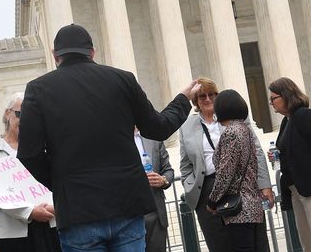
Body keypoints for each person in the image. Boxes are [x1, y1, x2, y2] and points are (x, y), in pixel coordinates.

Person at [17, 23, 200, 252]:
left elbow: (28, 154)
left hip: (78, 209)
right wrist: (182, 100)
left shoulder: (37, 89)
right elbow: (158, 128)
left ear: (55, 56)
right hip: (126, 204)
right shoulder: (123, 80)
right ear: (92, 52)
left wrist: (62, 182)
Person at [179, 78, 275, 252]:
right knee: (219, 244)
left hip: (241, 187)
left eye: (212, 95)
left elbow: (257, 152)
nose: (207, 99)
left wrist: (265, 185)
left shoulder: (234, 120)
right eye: (202, 96)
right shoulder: (187, 127)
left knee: (253, 242)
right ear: (196, 101)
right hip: (206, 189)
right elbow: (185, 165)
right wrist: (189, 185)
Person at [0, 93, 60, 252]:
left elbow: (59, 181)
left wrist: (56, 207)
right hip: (13, 233)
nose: (25, 120)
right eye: (20, 114)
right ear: (7, 114)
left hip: (50, 222)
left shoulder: (47, 146)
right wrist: (30, 212)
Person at [270, 77, 311, 252]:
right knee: (307, 242)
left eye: (273, 98)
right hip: (296, 188)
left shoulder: (304, 115)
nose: (271, 103)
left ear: (286, 96)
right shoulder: (287, 121)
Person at [206, 90, 266, 252]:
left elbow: (226, 172)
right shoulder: (244, 129)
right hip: (252, 204)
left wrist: (212, 201)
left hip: (239, 209)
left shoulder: (231, 133)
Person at [135, 126, 173, 252]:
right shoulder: (116, 140)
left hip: (155, 214)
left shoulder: (153, 138)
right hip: (129, 217)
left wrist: (163, 180)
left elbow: (168, 169)